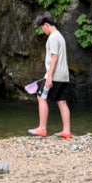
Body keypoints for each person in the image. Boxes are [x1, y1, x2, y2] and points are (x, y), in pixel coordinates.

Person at [29, 11, 72, 139]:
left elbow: (54, 57)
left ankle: (42, 128)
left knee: (41, 97)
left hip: (55, 75)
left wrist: (49, 76)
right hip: (64, 76)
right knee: (62, 101)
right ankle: (67, 131)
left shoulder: (53, 38)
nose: (42, 30)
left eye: (42, 27)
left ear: (46, 25)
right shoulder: (60, 36)